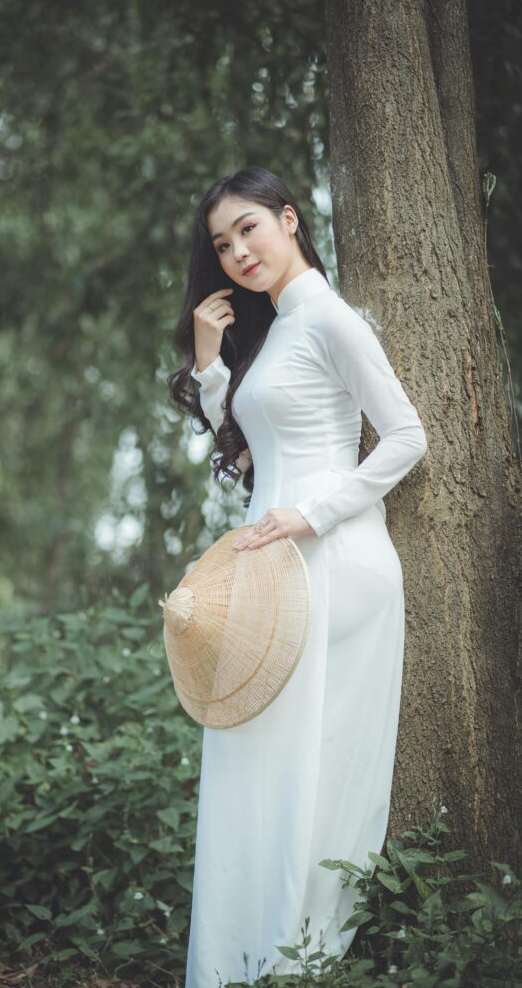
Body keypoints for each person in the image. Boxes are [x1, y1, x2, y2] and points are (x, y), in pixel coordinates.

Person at [167, 166, 428, 987]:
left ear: (288, 219)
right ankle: (240, 965)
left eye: (247, 228)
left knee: (295, 776)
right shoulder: (277, 330)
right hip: (276, 569)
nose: (237, 251)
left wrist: (312, 514)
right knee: (249, 765)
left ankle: (288, 964)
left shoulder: (329, 318)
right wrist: (209, 362)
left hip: (333, 563)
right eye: (221, 244)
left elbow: (406, 436)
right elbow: (252, 456)